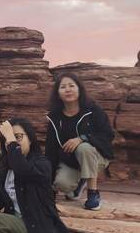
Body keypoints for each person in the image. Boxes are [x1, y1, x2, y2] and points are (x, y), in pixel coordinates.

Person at [45, 73, 115, 211]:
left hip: (97, 157)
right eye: (63, 87)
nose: (68, 89)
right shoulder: (54, 117)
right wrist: (49, 188)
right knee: (61, 184)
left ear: (79, 89)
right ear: (58, 94)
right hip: (72, 162)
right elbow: (51, 151)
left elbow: (107, 135)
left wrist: (82, 138)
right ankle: (79, 185)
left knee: (84, 148)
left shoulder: (93, 110)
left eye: (72, 85)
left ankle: (93, 193)